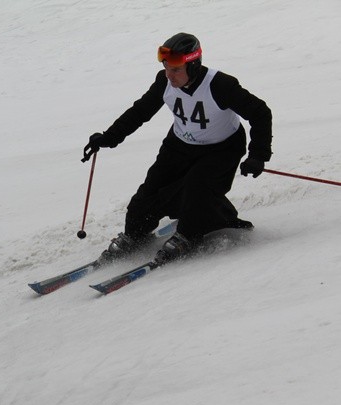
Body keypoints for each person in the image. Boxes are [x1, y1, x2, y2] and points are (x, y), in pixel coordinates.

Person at [84, 32, 272, 265]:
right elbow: (141, 111)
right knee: (150, 190)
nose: (169, 75)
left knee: (196, 186)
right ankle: (135, 234)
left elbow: (260, 113)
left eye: (175, 70)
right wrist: (108, 137)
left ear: (193, 66)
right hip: (180, 145)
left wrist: (258, 156)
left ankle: (189, 235)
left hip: (221, 149)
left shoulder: (220, 85)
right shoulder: (164, 81)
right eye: (166, 69)